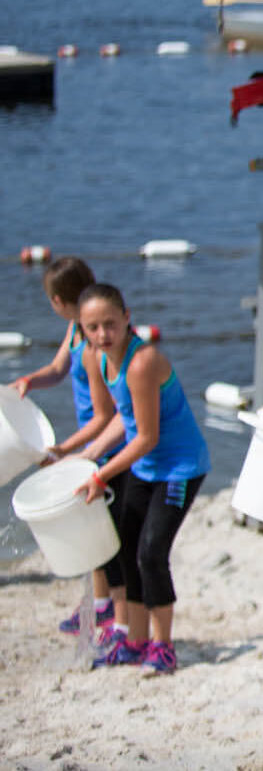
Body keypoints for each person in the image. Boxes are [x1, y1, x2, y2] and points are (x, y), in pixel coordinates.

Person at [48, 284, 211, 675]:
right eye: (93, 328)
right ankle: (136, 641)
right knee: (124, 548)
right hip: (145, 467)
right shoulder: (101, 359)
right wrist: (85, 455)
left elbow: (146, 436)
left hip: (179, 468)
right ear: (82, 329)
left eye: (110, 324)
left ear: (126, 317)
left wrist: (102, 474)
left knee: (151, 553)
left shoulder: (142, 362)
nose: (103, 334)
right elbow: (125, 417)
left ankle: (163, 646)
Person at [10, 257, 127, 637]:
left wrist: (62, 450)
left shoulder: (94, 343)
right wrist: (29, 380)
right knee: (89, 520)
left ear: (59, 300)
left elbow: (106, 414)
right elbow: (58, 369)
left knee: (100, 527)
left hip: (106, 440)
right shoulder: (76, 331)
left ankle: (111, 609)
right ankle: (99, 603)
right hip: (92, 438)